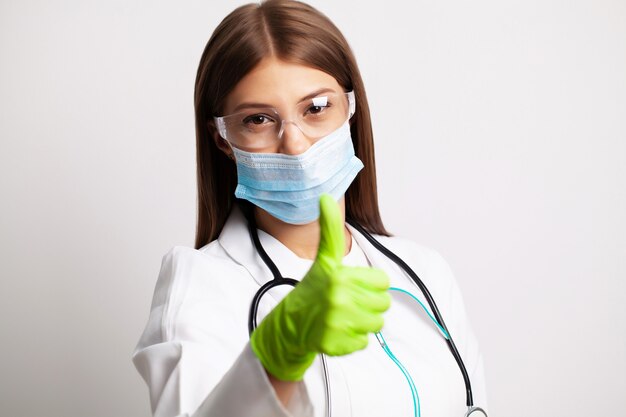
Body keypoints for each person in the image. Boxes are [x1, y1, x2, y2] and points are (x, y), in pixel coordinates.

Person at [132, 1, 488, 416]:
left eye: (316, 108)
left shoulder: (425, 273)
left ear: (350, 110)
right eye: (259, 120)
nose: (296, 144)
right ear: (222, 140)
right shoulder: (201, 286)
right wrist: (274, 361)